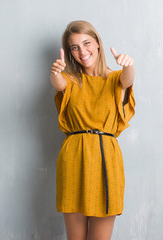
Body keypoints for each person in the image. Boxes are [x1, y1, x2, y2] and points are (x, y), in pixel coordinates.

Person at [50, 20, 136, 240]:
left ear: (98, 43)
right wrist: (55, 73)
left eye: (87, 43)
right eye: (75, 47)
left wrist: (129, 65)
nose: (82, 51)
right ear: (70, 53)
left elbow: (127, 79)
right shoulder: (70, 80)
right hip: (74, 159)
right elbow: (59, 84)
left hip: (106, 160)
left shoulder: (116, 79)